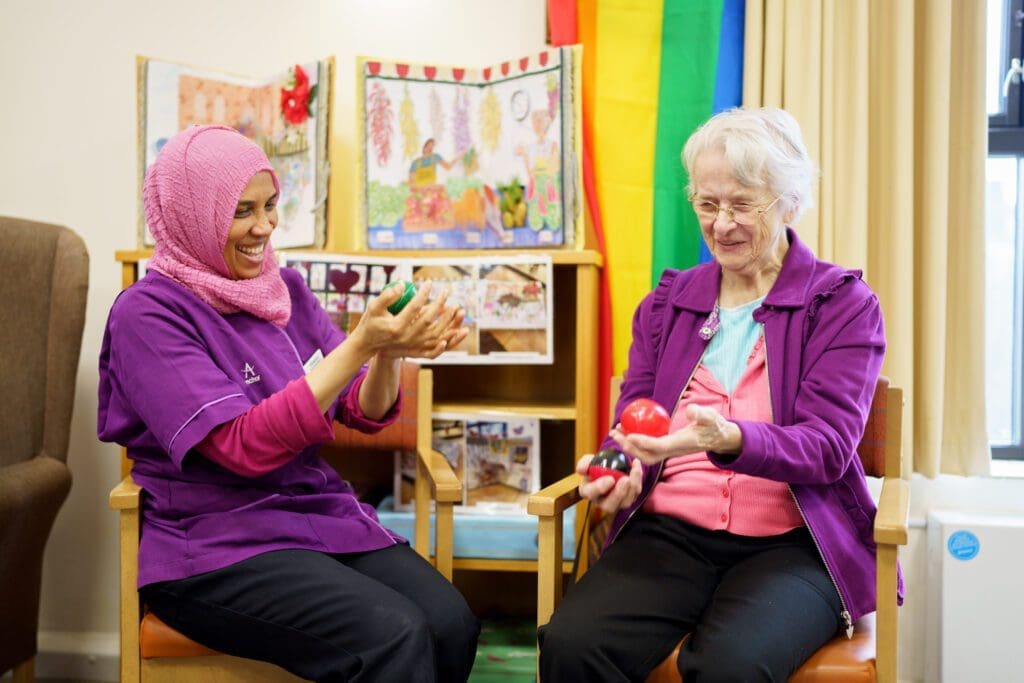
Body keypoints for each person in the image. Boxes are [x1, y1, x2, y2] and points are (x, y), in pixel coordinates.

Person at [98, 125, 479, 683]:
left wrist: (389, 353)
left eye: (271, 205)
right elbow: (242, 446)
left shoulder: (283, 290)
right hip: (213, 547)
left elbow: (362, 411)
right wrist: (360, 344)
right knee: (393, 634)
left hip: (312, 519)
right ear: (192, 215)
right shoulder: (147, 315)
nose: (264, 227)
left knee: (452, 622)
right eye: (242, 211)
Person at [538, 107, 900, 681]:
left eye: (742, 205)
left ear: (790, 201)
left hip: (791, 545)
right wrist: (614, 467)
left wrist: (733, 438)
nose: (722, 224)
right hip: (670, 535)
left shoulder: (841, 306)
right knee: (570, 643)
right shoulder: (667, 304)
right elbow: (634, 421)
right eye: (708, 204)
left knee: (730, 665)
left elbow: (829, 447)